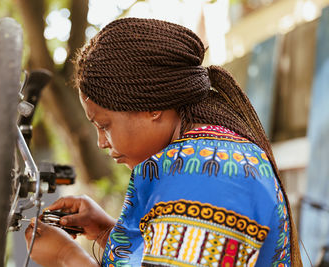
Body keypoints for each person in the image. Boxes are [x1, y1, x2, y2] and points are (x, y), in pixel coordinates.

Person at [24, 17, 302, 266]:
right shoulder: (208, 159)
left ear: (152, 107)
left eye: (104, 125)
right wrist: (106, 232)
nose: (101, 142)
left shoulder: (207, 180)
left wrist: (67, 257)